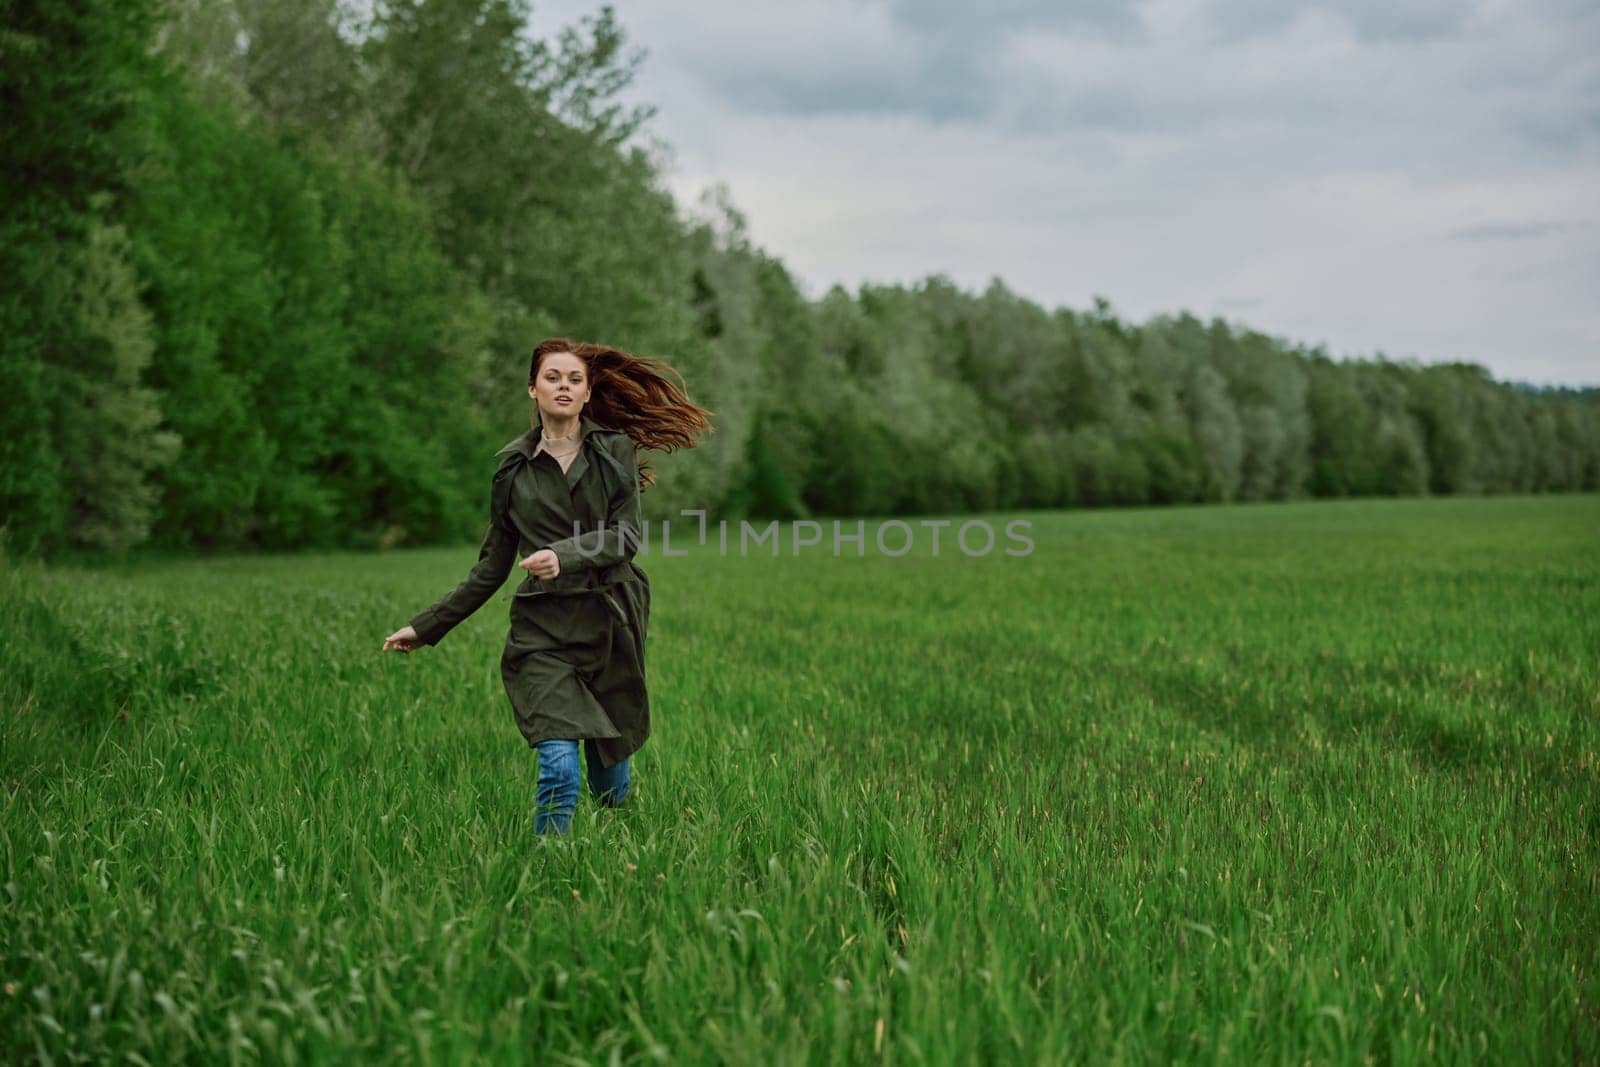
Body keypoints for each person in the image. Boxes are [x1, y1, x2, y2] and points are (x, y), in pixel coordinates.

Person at [382, 338, 712, 835]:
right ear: (533, 389)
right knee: (559, 765)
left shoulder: (614, 451)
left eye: (574, 379)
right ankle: (549, 865)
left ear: (586, 394)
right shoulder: (512, 470)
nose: (563, 386)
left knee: (610, 784)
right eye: (553, 377)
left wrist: (564, 555)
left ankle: (616, 851)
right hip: (543, 633)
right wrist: (425, 627)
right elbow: (491, 567)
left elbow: (626, 537)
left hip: (610, 624)